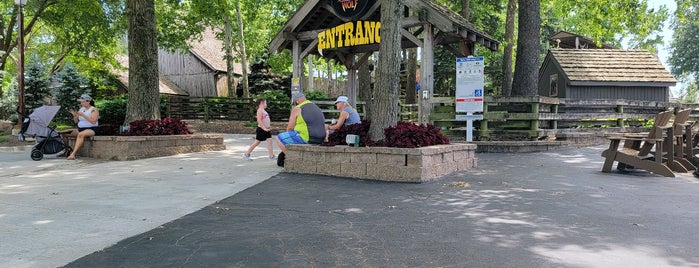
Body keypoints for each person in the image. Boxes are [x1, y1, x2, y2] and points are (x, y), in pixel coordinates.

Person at [275, 92, 325, 166]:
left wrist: (289, 137)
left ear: (297, 100)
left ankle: (292, 159)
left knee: (278, 138)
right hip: (321, 138)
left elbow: (290, 128)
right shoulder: (316, 107)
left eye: (295, 102)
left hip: (306, 138)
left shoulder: (297, 108)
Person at [60, 94, 99, 160]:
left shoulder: (93, 110)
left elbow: (93, 121)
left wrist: (83, 115)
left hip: (91, 129)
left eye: (83, 102)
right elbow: (76, 122)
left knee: (80, 135)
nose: (81, 103)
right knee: (64, 133)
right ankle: (66, 151)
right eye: (81, 102)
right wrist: (74, 115)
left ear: (88, 101)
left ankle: (73, 154)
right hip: (80, 128)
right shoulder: (81, 109)